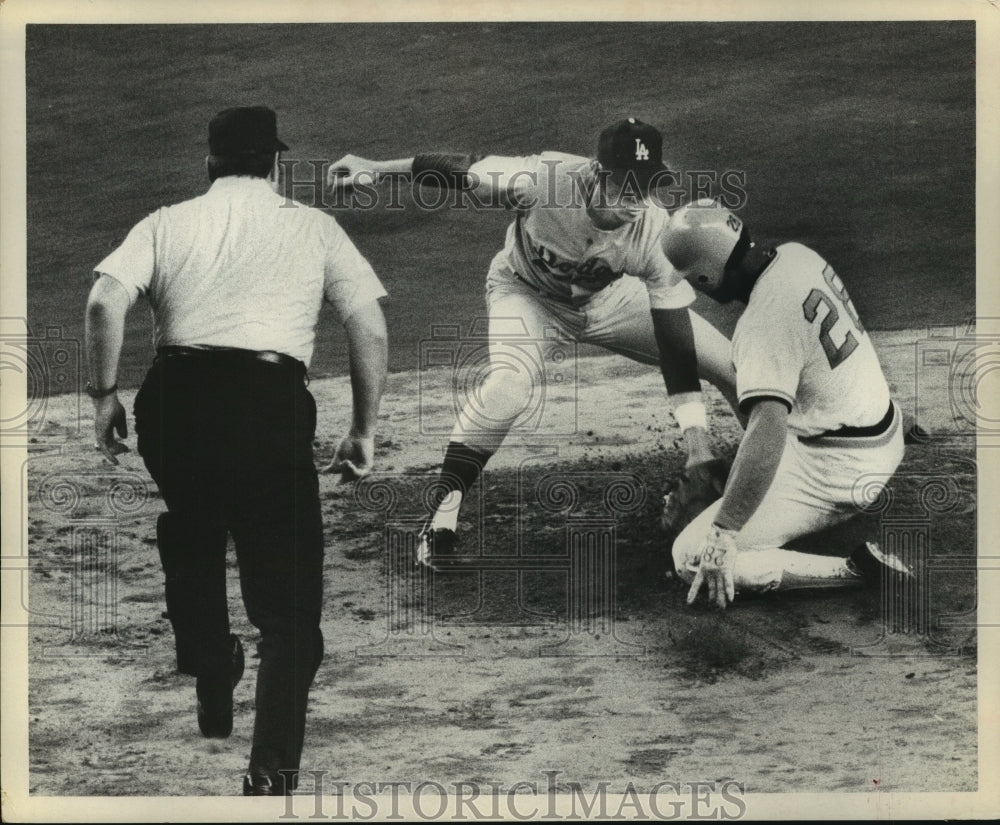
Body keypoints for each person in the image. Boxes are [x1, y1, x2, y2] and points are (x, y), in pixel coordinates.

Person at [84, 106, 389, 794]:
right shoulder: (315, 227)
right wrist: (363, 429)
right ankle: (269, 776)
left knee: (193, 531)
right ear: (275, 164)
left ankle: (211, 662)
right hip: (268, 407)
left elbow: (104, 302)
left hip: (175, 404)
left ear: (209, 163)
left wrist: (104, 395)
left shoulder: (165, 222)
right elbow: (368, 324)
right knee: (289, 617)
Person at [327, 118, 739, 569]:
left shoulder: (655, 232)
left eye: (647, 186)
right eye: (627, 186)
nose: (638, 200)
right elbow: (458, 169)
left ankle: (775, 480)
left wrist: (698, 445)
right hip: (527, 296)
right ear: (597, 173)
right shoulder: (541, 180)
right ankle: (442, 519)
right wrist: (376, 168)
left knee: (733, 367)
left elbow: (675, 344)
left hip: (614, 301)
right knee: (506, 388)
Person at [660, 199, 912, 609]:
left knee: (690, 557)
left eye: (695, 280)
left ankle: (855, 571)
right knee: (759, 429)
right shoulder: (797, 256)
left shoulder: (761, 325)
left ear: (706, 275)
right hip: (884, 429)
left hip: (839, 473)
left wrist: (723, 534)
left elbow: (768, 429)